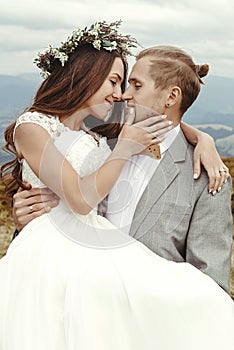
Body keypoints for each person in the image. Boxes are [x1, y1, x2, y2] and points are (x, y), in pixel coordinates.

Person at [0, 21, 234, 350]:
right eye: (118, 82)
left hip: (144, 325)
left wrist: (202, 139)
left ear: (171, 96)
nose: (122, 94)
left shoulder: (207, 176)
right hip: (68, 292)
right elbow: (71, 186)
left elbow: (210, 285)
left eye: (132, 85)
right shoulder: (108, 135)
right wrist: (24, 224)